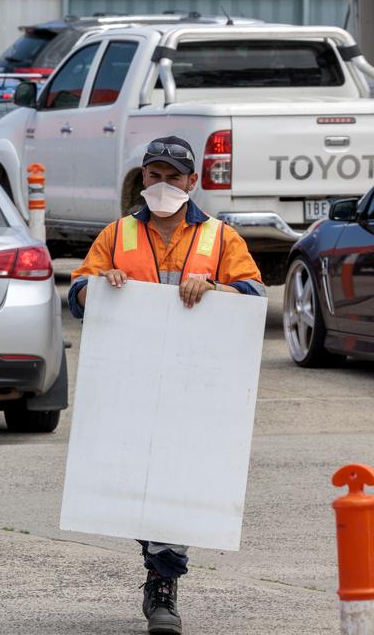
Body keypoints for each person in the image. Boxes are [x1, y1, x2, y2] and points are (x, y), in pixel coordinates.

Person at [68, 135, 266, 635]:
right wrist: (100, 288)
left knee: (177, 478)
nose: (162, 185)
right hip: (128, 378)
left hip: (195, 380)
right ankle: (160, 570)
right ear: (144, 179)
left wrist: (217, 289)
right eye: (154, 176)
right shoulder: (116, 234)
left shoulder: (222, 238)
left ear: (191, 181)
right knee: (136, 478)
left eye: (172, 176)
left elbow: (255, 293)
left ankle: (162, 583)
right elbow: (76, 292)